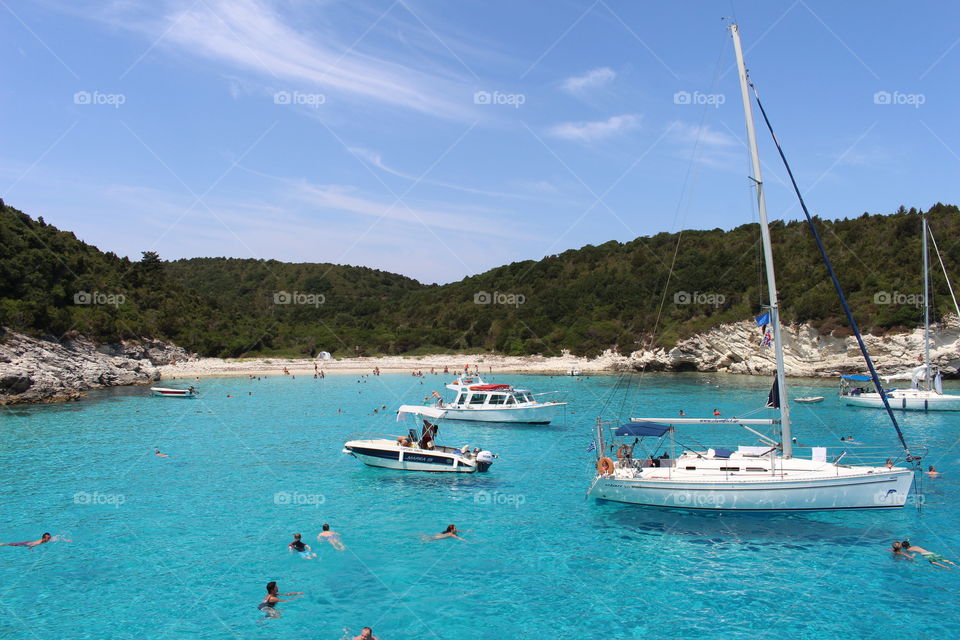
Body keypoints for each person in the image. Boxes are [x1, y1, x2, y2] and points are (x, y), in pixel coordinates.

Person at [0, 533, 71, 549]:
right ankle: (2, 544)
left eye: (50, 537)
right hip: (28, 543)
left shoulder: (49, 539)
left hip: (30, 542)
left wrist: (66, 540)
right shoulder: (40, 541)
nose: (50, 538)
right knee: (15, 544)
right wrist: (30, 548)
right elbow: (34, 544)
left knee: (15, 544)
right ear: (44, 538)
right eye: (48, 537)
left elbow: (58, 538)